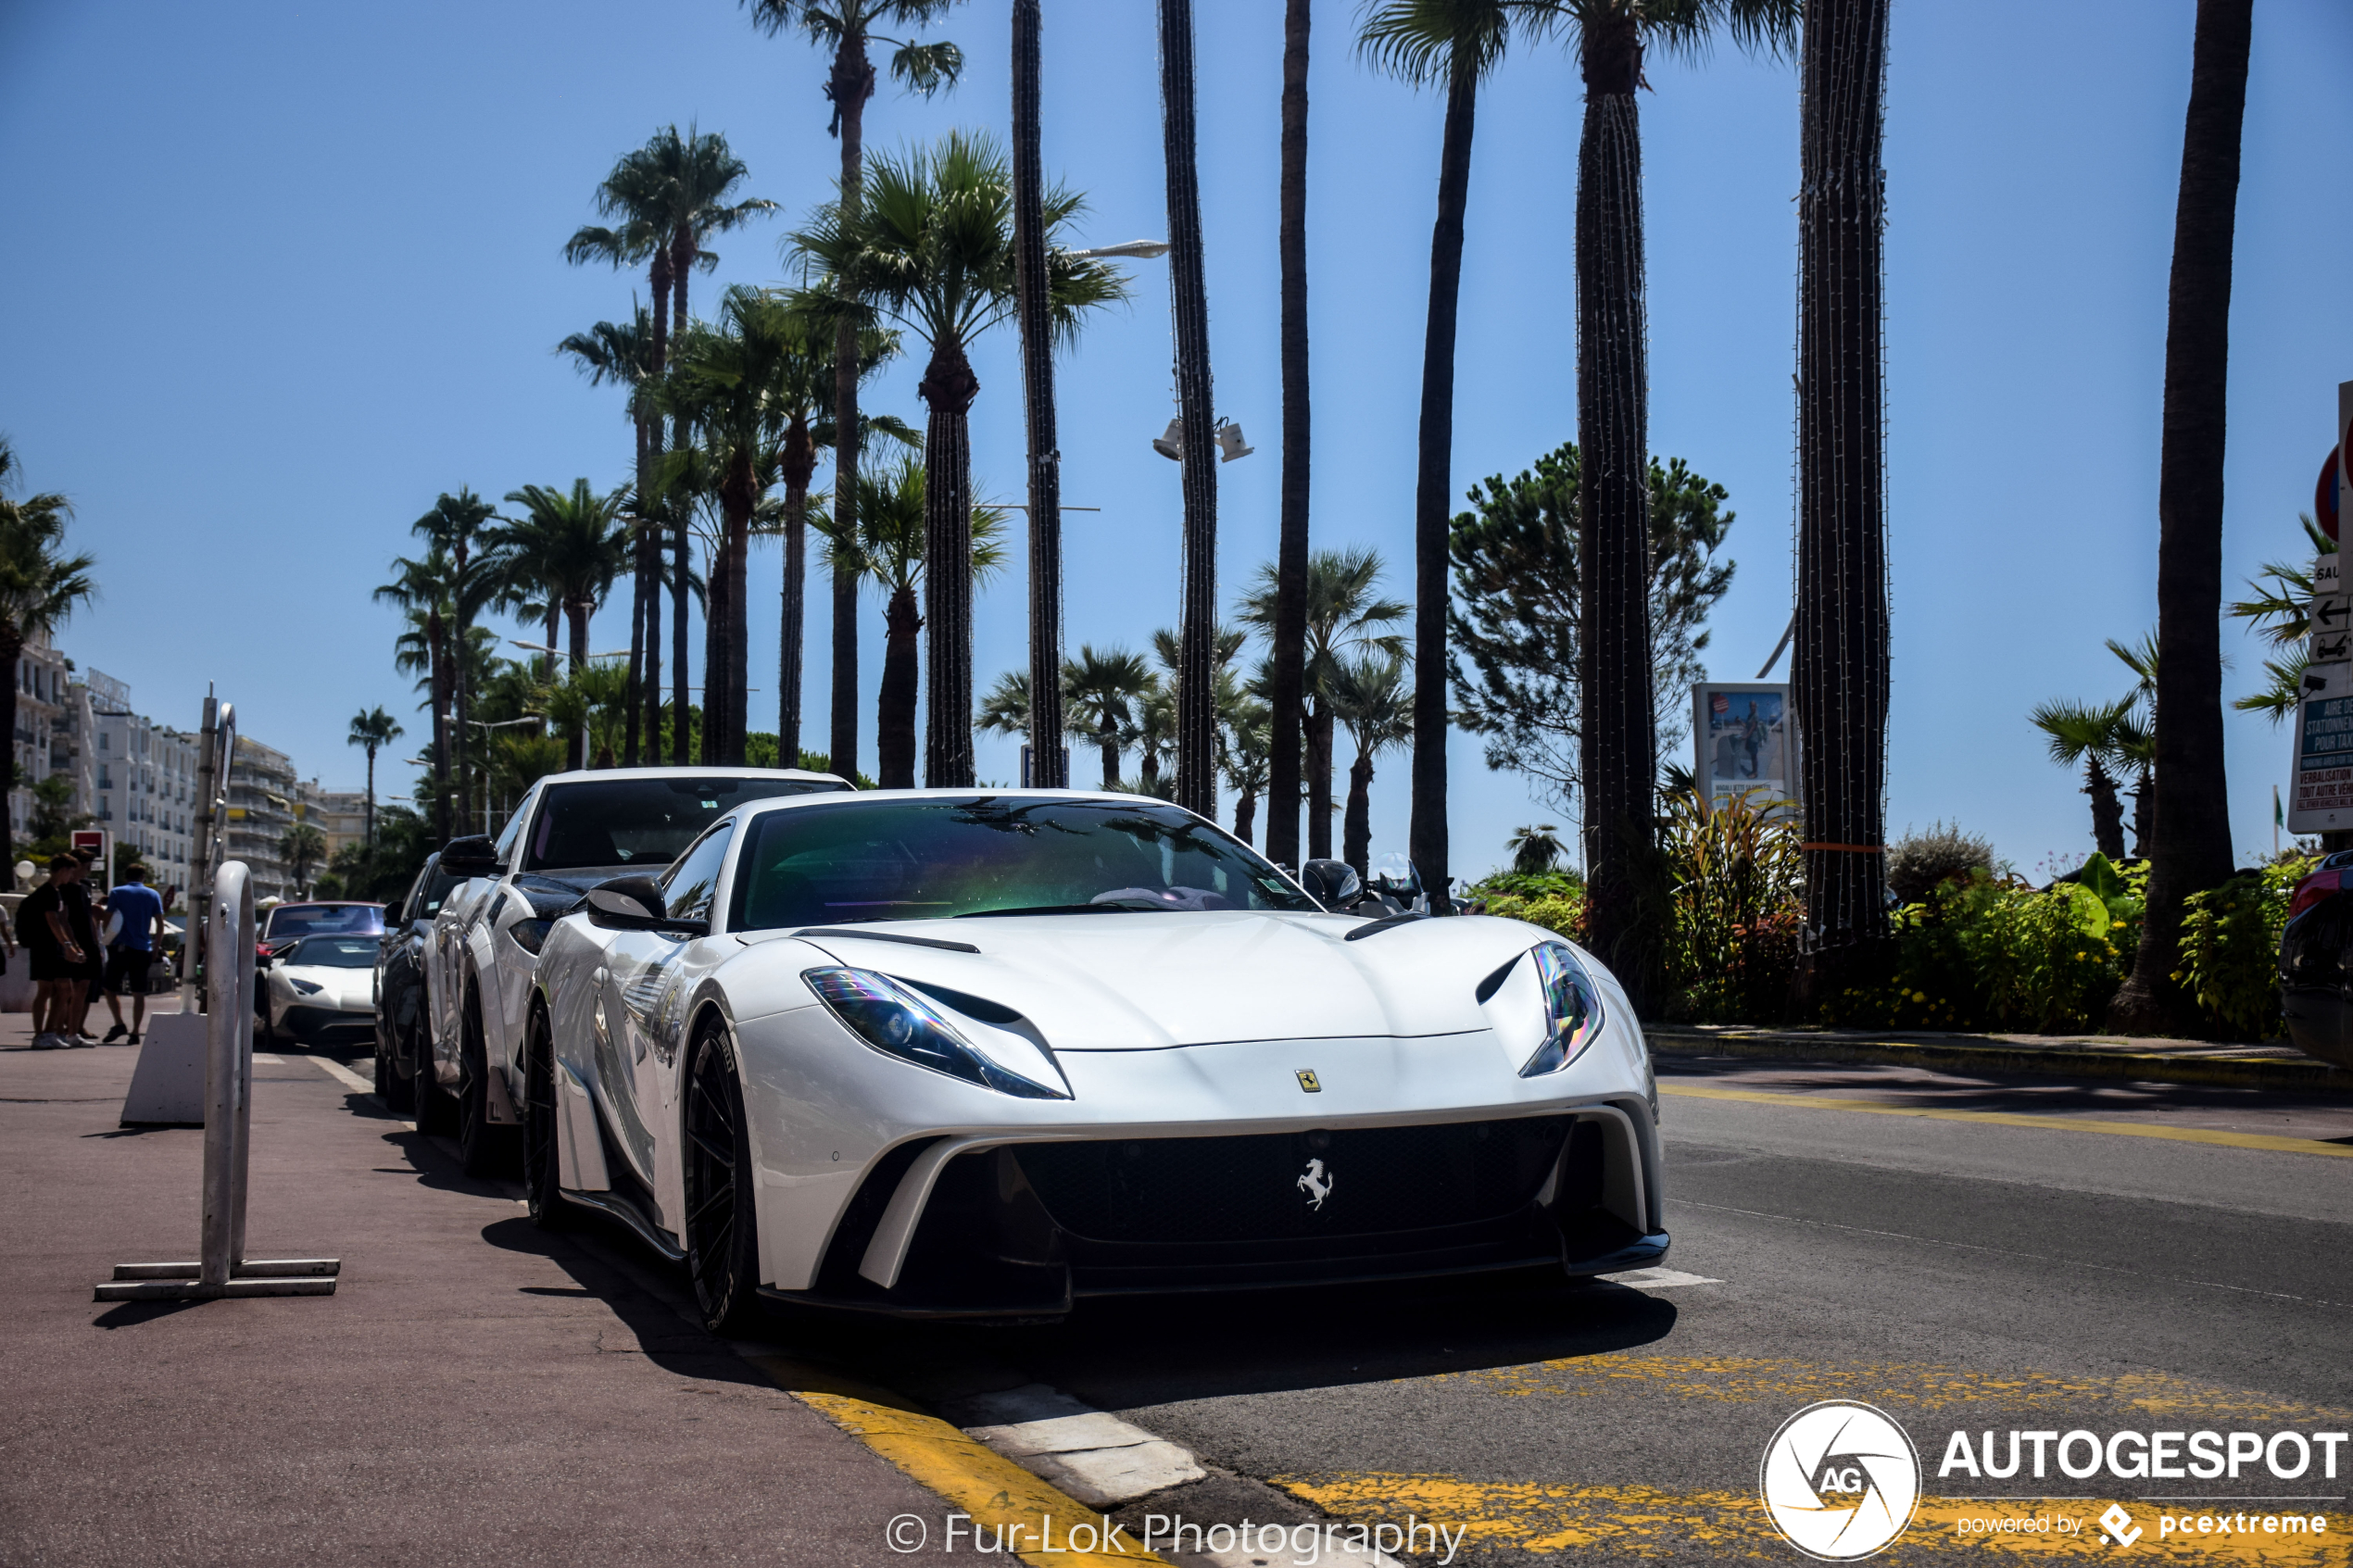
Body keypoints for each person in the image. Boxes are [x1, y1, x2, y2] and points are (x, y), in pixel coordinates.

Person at [21, 855, 91, 1049]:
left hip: (53, 948)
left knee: (63, 989)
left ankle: (49, 1032)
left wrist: (73, 946)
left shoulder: (56, 892)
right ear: (62, 870)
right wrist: (68, 946)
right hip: (45, 948)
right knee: (47, 990)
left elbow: (63, 922)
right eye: (70, 870)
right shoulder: (48, 893)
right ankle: (41, 1035)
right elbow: (53, 921)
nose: (71, 875)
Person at [100, 863, 164, 1044]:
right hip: (143, 948)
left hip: (120, 947)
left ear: (126, 876)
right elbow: (159, 923)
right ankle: (135, 1032)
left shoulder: (117, 892)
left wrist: (108, 938)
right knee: (139, 992)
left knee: (109, 988)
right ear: (143, 877)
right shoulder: (153, 895)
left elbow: (107, 918)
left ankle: (119, 1023)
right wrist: (156, 946)